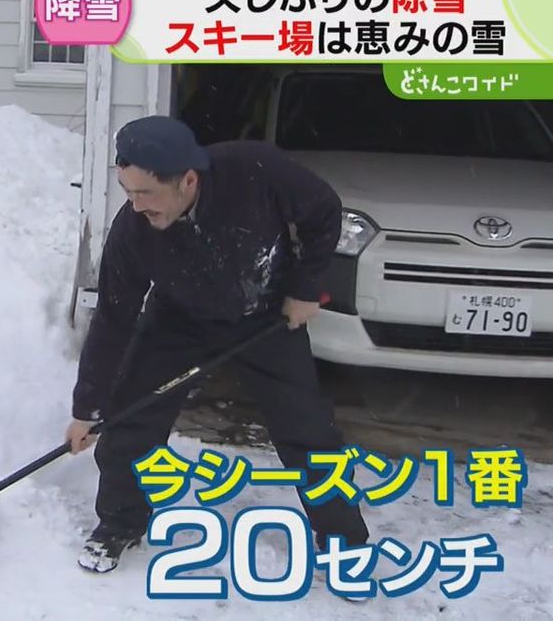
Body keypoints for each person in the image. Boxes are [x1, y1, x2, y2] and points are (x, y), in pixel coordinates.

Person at [66, 115, 370, 574]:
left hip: (264, 314)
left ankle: (343, 539)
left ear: (187, 180)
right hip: (178, 320)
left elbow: (323, 211)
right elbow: (113, 320)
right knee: (129, 421)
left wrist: (306, 287)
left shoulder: (254, 170)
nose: (136, 205)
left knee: (309, 434)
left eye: (146, 193)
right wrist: (87, 408)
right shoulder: (133, 232)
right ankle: (119, 523)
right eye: (127, 192)